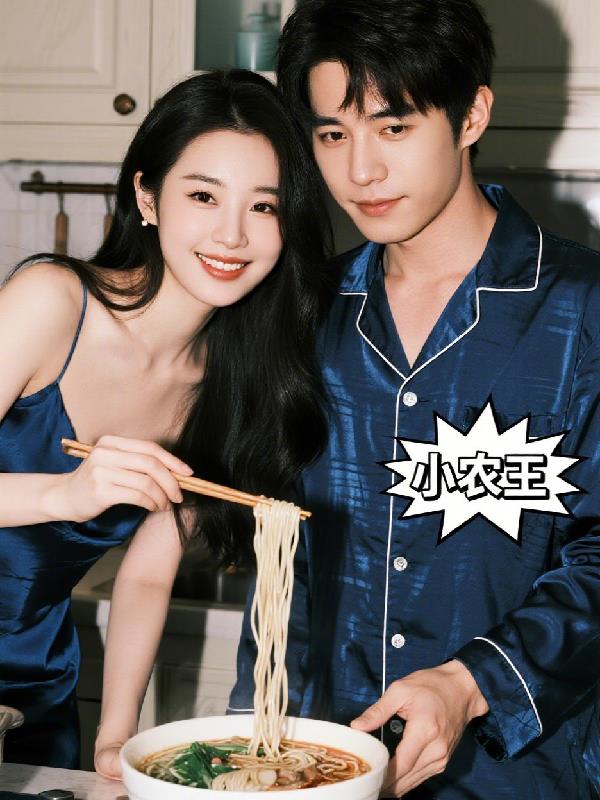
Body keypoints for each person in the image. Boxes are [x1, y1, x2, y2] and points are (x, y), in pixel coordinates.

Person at [229, 1, 600, 798]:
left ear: (472, 114)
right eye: (333, 135)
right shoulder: (308, 312)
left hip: (522, 776)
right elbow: (282, 562)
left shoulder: (581, 311)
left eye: (392, 127)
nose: (360, 171)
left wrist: (471, 682)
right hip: (324, 767)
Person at [0, 69, 331, 770]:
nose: (232, 235)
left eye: (264, 207)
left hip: (34, 677)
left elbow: (148, 576)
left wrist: (116, 739)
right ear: (147, 198)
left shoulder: (230, 389)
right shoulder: (50, 303)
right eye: (203, 196)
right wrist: (65, 494)